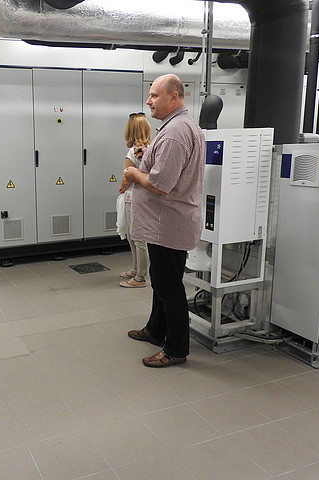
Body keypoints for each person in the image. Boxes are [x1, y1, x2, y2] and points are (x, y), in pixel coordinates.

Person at [125, 74, 205, 368]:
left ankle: (175, 349)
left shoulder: (175, 132)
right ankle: (156, 330)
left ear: (174, 97)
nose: (149, 101)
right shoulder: (177, 127)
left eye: (154, 96)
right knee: (160, 281)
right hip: (164, 224)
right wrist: (149, 156)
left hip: (168, 224)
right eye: (150, 95)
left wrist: (134, 173)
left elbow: (160, 185)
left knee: (169, 287)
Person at [118, 112, 152, 288]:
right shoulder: (151, 149)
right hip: (145, 197)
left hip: (133, 198)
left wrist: (122, 188)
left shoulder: (133, 151)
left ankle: (140, 277)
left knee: (137, 239)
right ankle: (136, 269)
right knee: (135, 237)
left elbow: (127, 177)